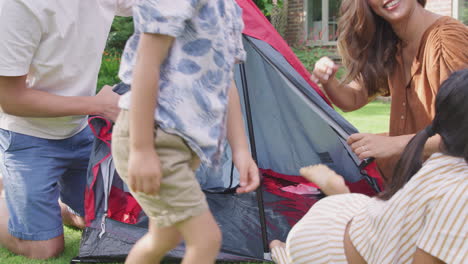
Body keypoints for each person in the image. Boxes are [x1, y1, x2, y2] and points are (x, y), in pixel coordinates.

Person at [111, 1, 260, 264]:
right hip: (155, 138)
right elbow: (147, 63)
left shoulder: (229, 9)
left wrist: (241, 151)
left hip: (183, 146)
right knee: (206, 239)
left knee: (164, 238)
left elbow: (227, 84)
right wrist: (142, 149)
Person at [270, 69, 468, 264]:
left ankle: (337, 192)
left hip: (362, 220)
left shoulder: (449, 160)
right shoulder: (460, 193)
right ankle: (281, 250)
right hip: (322, 246)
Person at [0, 0, 135, 259]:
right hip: (27, 136)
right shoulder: (18, 5)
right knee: (43, 249)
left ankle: (45, 199)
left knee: (101, 224)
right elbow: (9, 98)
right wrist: (97, 106)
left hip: (79, 129)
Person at [311, 0, 468, 178]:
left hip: (449, 188)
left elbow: (462, 135)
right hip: (408, 183)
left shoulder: (447, 42)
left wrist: (393, 144)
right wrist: (328, 80)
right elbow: (354, 98)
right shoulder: (393, 45)